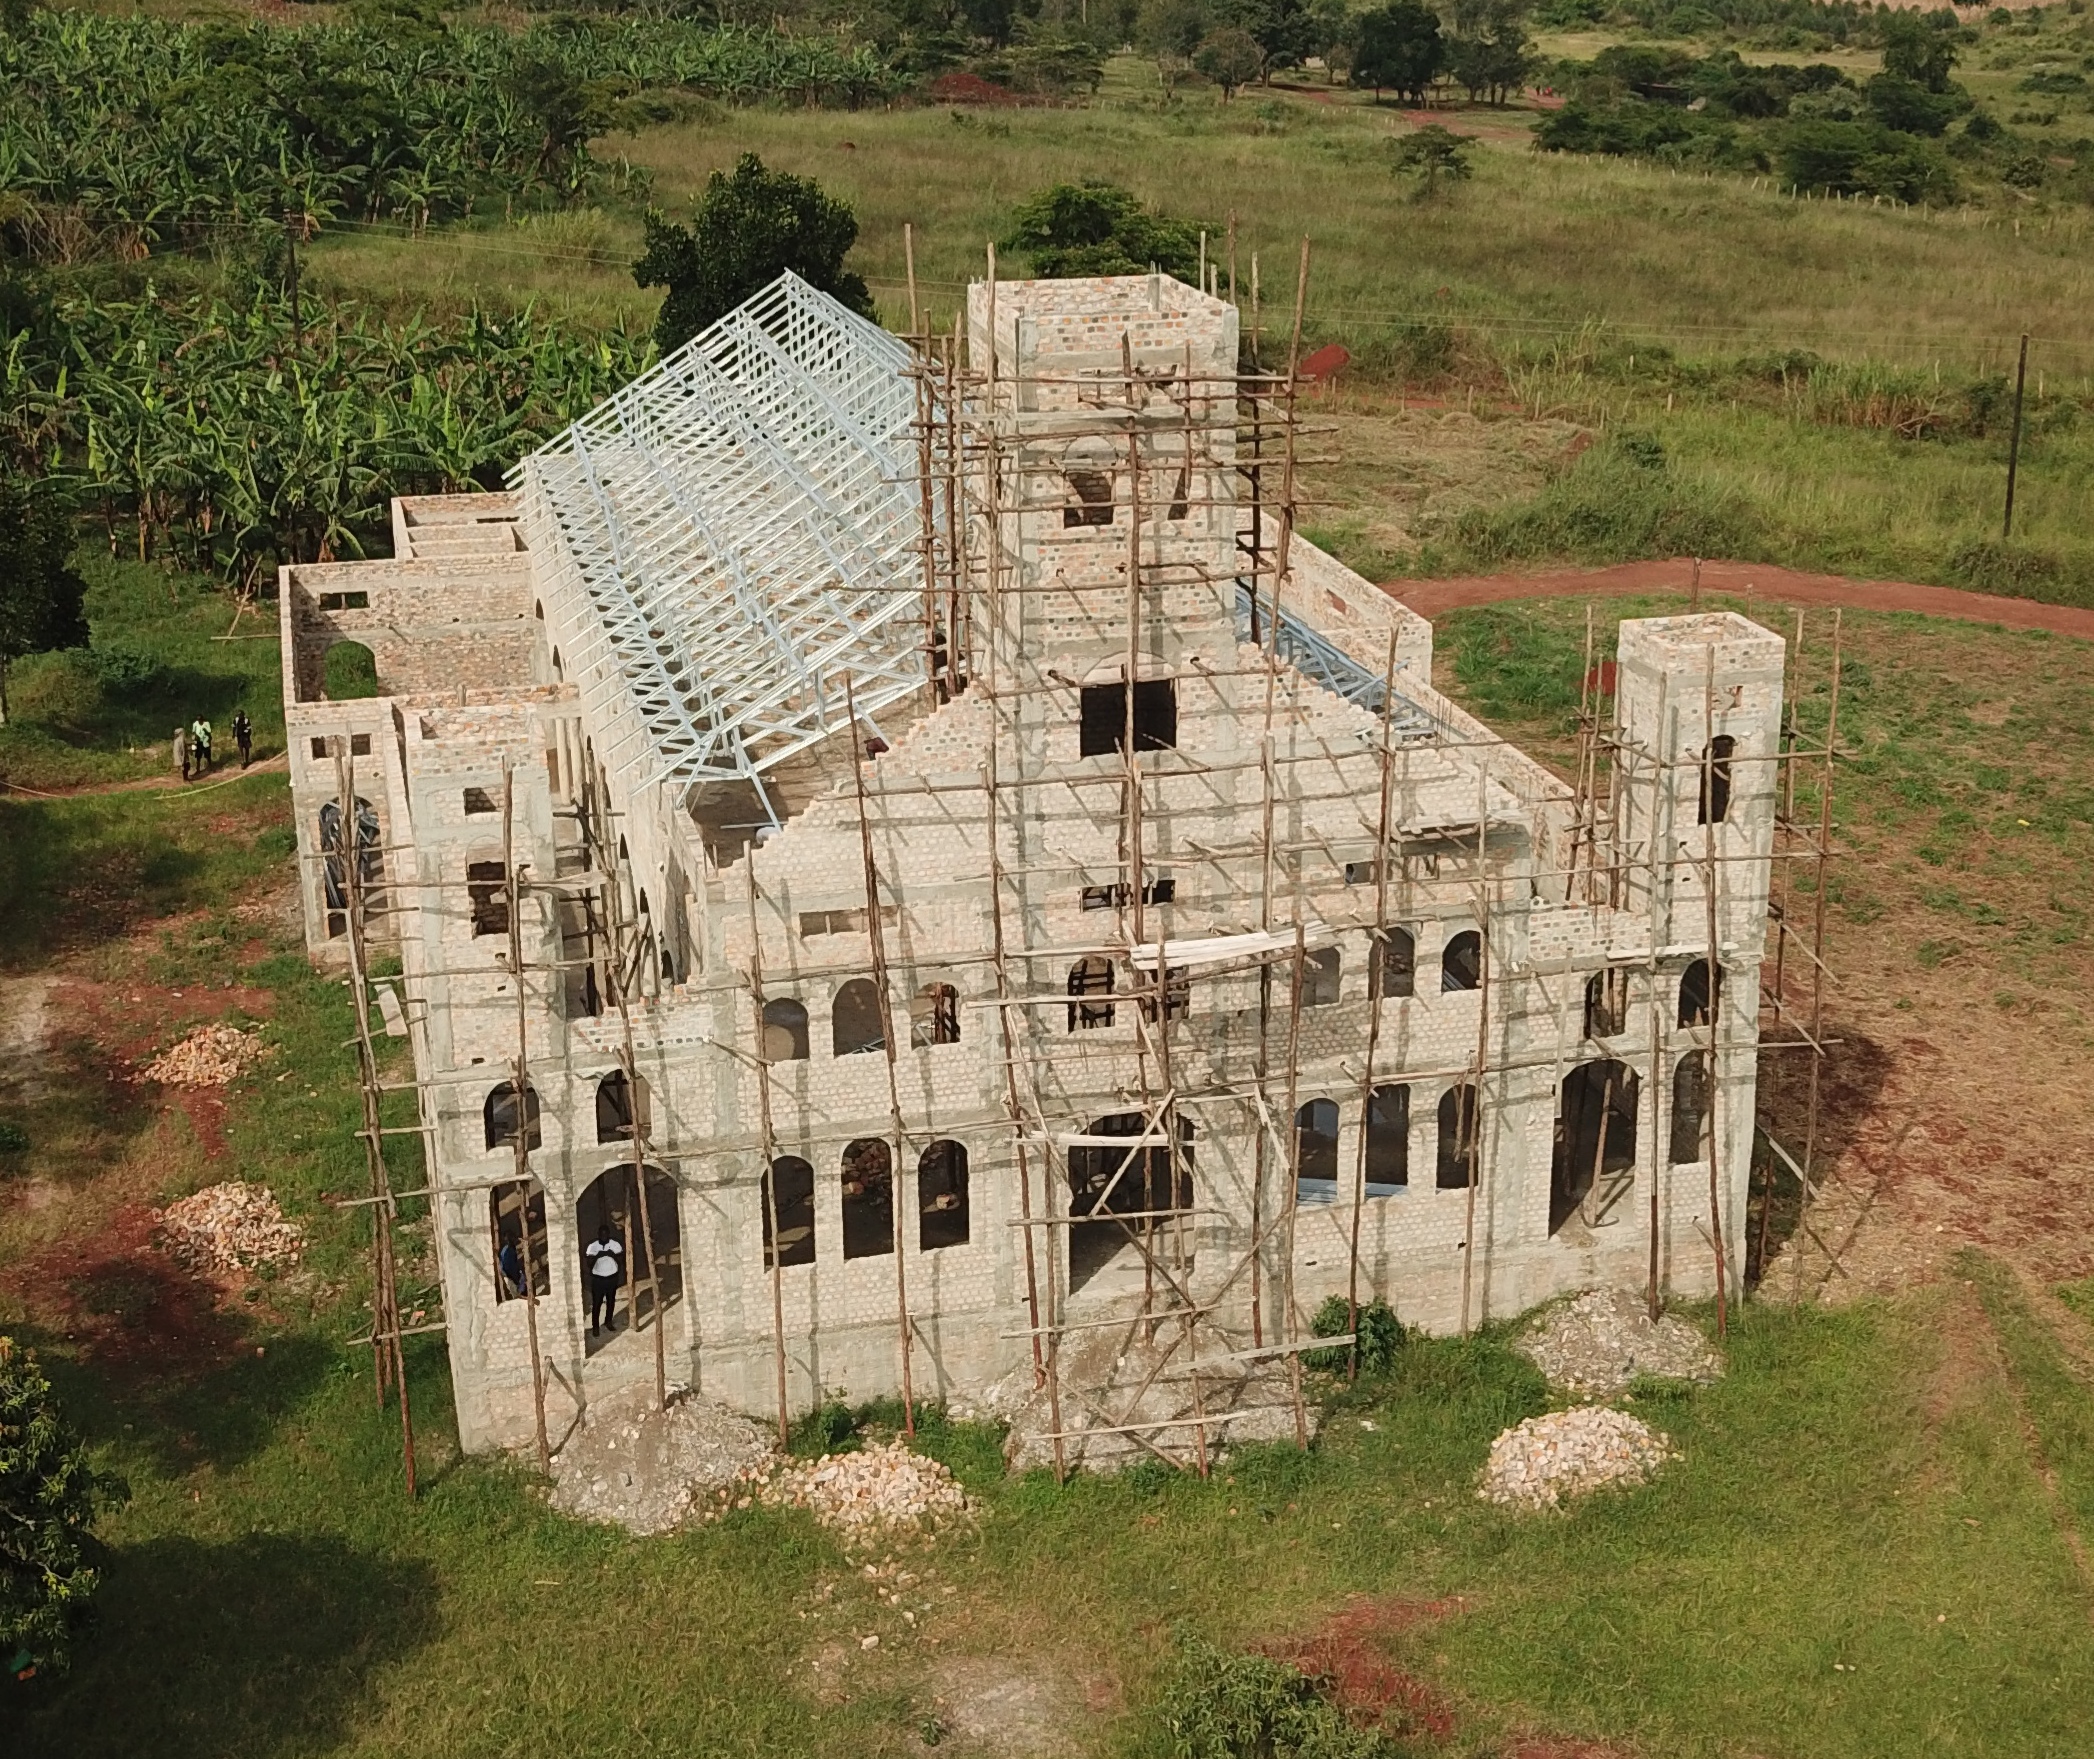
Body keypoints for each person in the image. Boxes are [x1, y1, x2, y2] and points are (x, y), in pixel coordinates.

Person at [585, 1220, 624, 1335]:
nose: (604, 1236)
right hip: (598, 1279)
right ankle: (595, 1326)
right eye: (601, 1234)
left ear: (608, 1234)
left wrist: (612, 1255)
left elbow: (621, 1260)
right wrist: (597, 1256)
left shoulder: (615, 1244)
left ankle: (608, 1322)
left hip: (612, 1278)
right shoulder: (592, 1246)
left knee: (610, 1302)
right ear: (598, 1234)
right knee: (597, 1303)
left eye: (605, 1234)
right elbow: (589, 1264)